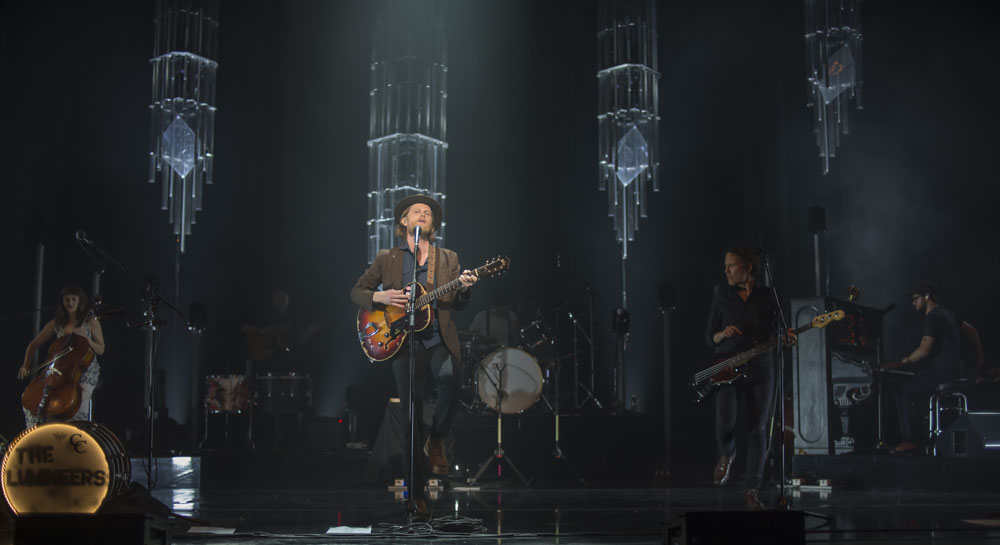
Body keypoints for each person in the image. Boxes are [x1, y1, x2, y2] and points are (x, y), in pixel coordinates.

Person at [350, 194, 477, 516]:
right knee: (410, 419)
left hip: (437, 339)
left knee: (451, 377)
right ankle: (415, 493)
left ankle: (437, 438)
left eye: (428, 213)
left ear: (433, 225)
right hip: (402, 342)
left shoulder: (447, 258)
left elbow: (459, 302)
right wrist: (380, 295)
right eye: (415, 211)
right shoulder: (387, 257)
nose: (422, 214)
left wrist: (464, 287)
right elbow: (357, 292)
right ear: (403, 222)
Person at [704, 245, 795, 510]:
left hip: (761, 367)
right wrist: (722, 335)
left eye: (731, 265)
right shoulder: (721, 296)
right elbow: (709, 335)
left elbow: (781, 328)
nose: (727, 271)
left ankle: (752, 489)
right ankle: (728, 452)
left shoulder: (768, 296)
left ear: (748, 267)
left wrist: (787, 336)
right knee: (725, 423)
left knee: (758, 428)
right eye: (725, 266)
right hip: (729, 366)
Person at [884, 281, 962, 454]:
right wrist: (979, 360)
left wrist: (904, 361)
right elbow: (972, 332)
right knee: (917, 385)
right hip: (955, 369)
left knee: (902, 392)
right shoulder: (947, 313)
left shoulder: (932, 316)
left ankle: (909, 441)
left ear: (927, 297)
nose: (913, 303)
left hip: (943, 371)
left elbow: (924, 349)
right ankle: (925, 435)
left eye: (915, 299)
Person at [17, 284, 105, 428]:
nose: (70, 302)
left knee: (74, 409)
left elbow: (101, 349)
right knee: (36, 404)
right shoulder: (57, 323)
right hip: (60, 370)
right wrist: (26, 364)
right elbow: (34, 344)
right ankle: (37, 437)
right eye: (66, 300)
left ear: (79, 301)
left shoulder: (91, 322)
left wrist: (87, 340)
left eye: (73, 299)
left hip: (85, 371)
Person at [242, 288, 319, 374]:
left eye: (284, 299)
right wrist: (263, 331)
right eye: (278, 298)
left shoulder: (293, 319)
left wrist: (309, 333)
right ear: (274, 299)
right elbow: (245, 328)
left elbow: (296, 340)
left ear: (288, 300)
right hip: (264, 361)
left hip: (284, 362)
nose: (281, 301)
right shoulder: (264, 314)